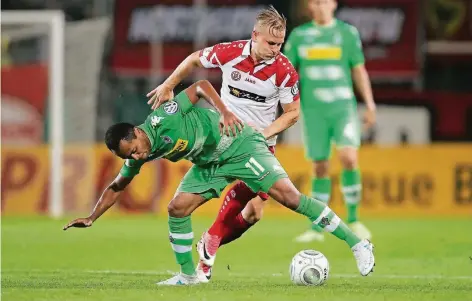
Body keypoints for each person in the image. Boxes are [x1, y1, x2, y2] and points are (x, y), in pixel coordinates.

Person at [63, 80, 375, 285]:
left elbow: (199, 87)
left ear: (137, 133)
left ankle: (357, 243)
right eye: (130, 156)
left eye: (135, 150)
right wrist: (92, 217)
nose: (138, 157)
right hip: (209, 163)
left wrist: (225, 111)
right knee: (178, 207)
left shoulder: (164, 117)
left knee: (290, 198)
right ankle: (188, 276)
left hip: (238, 144)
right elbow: (117, 185)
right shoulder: (137, 154)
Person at [146, 6, 300, 280]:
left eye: (280, 43)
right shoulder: (231, 52)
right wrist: (169, 84)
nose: (276, 49)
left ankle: (209, 239)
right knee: (191, 203)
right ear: (255, 35)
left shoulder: (285, 70)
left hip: (259, 142)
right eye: (271, 42)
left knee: (253, 214)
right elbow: (194, 59)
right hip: (223, 138)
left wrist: (261, 136)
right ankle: (209, 243)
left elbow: (292, 113)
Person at [283, 0, 376, 243]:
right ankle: (317, 228)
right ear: (310, 7)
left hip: (343, 108)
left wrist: (370, 103)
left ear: (334, 4)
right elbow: (286, 72)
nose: (321, 6)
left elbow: (358, 69)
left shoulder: (347, 33)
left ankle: (354, 219)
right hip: (313, 111)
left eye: (325, 1)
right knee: (320, 166)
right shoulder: (300, 36)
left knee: (348, 157)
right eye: (316, 2)